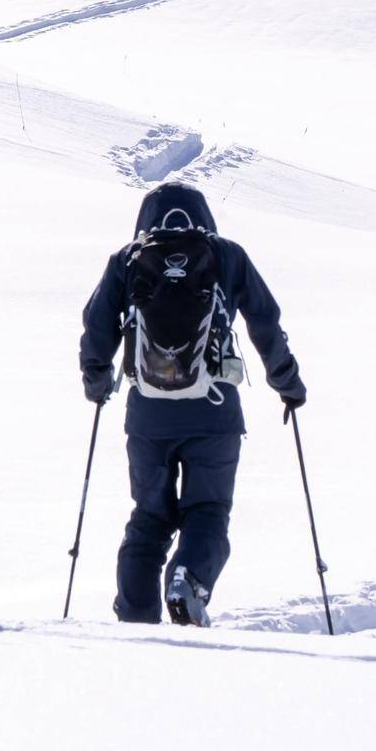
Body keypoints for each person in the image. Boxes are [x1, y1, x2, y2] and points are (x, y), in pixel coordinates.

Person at [79, 181, 305, 627]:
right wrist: (288, 383)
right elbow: (265, 321)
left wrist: (96, 382)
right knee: (208, 510)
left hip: (148, 418)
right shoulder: (226, 256)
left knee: (148, 517)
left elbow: (97, 327)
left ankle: (136, 616)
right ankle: (188, 580)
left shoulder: (127, 260)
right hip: (214, 414)